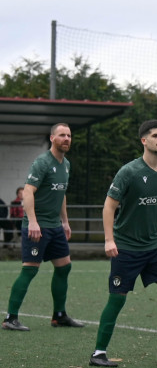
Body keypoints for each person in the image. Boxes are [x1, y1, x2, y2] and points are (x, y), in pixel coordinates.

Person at [89, 120, 157, 367]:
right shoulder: (129, 171)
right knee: (117, 299)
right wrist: (109, 239)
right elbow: (109, 206)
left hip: (153, 247)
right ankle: (98, 354)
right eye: (156, 135)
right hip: (126, 247)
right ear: (143, 141)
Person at [2, 123, 84, 331]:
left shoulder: (66, 164)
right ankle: (10, 319)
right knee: (30, 270)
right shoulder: (42, 162)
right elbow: (28, 192)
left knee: (64, 267)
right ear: (52, 138)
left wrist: (64, 221)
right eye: (62, 135)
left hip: (55, 226)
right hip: (37, 227)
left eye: (69, 135)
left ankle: (59, 316)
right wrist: (33, 222)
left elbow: (61, 194)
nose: (66, 138)